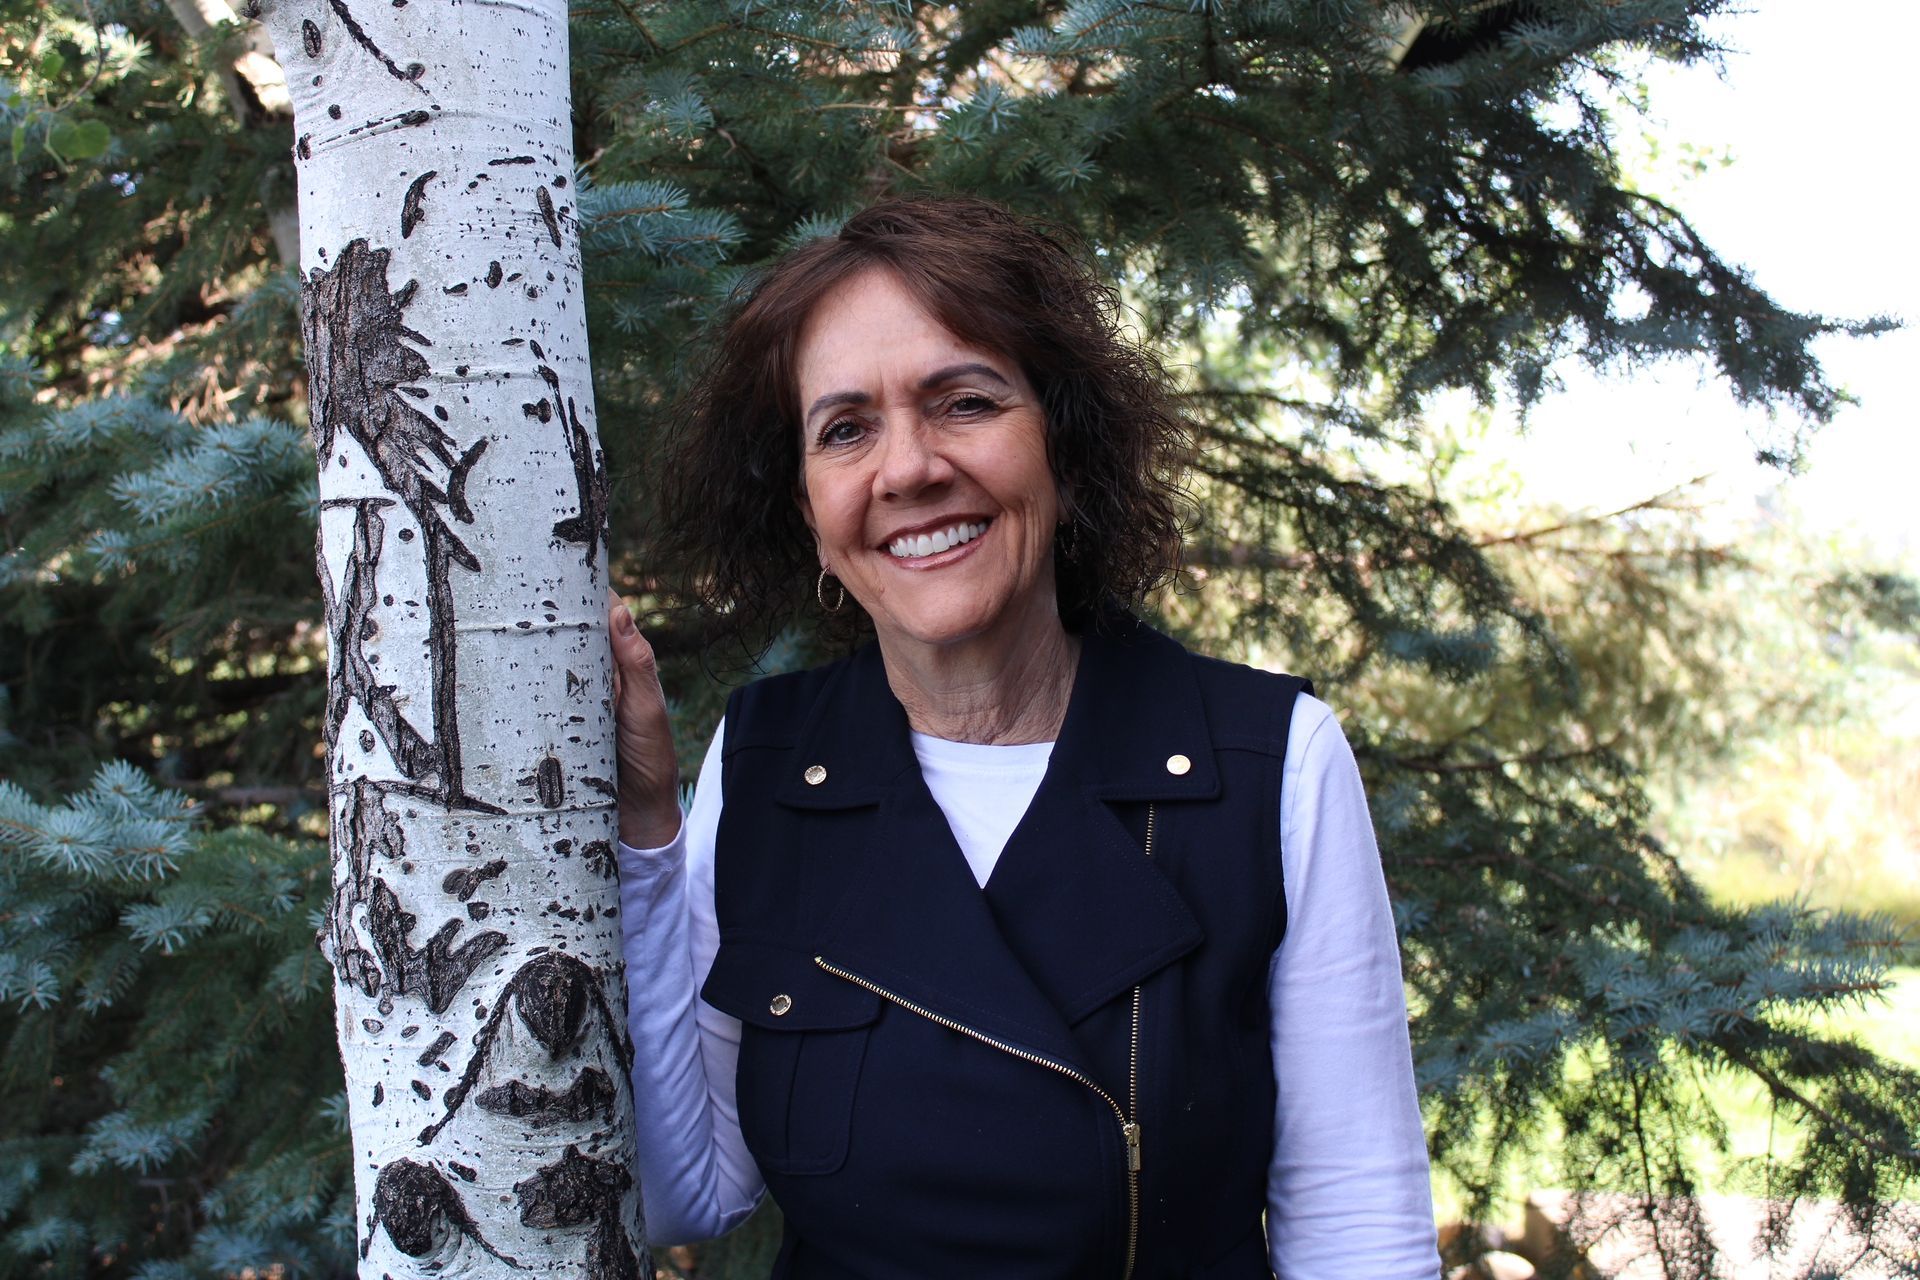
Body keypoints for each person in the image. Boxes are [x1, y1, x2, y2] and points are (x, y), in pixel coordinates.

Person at [605, 195, 1439, 1278]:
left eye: (964, 402)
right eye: (845, 428)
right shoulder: (767, 762)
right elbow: (685, 1190)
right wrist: (646, 837)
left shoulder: (1263, 760)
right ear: (809, 508)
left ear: (1065, 446)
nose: (906, 469)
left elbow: (1358, 1227)